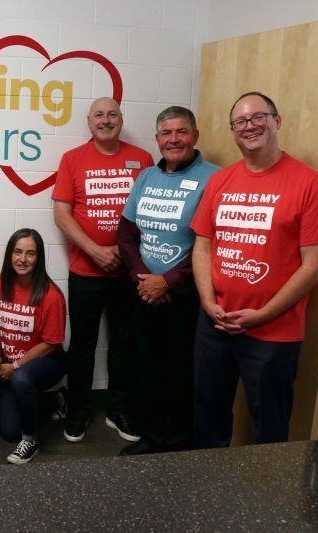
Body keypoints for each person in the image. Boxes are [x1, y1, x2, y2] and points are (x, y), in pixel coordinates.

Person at [190, 92, 318, 447]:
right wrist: (208, 301)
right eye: (240, 121)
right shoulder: (220, 181)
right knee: (207, 415)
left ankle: (268, 498)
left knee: (270, 427)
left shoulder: (309, 183)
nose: (250, 126)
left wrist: (262, 314)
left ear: (277, 121)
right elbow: (203, 246)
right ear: (232, 131)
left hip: (274, 331)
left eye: (259, 117)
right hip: (215, 322)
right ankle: (205, 491)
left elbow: (315, 267)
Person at [117, 106, 219, 455]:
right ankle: (151, 438)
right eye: (166, 133)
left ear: (195, 136)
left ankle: (176, 445)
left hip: (186, 295)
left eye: (181, 131)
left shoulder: (214, 179)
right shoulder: (146, 177)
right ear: (157, 139)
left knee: (179, 372)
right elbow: (127, 233)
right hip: (144, 292)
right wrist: (142, 278)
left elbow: (213, 243)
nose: (174, 139)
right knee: (145, 367)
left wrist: (168, 281)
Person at [52, 97, 154, 443]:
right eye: (99, 114)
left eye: (112, 114)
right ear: (89, 121)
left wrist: (126, 255)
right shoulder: (72, 160)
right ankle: (78, 410)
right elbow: (62, 214)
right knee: (83, 343)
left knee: (125, 343)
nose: (106, 120)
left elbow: (151, 212)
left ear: (121, 120)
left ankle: (118, 410)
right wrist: (95, 250)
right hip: (86, 271)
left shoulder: (142, 160)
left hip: (128, 273)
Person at [0, 228, 67, 464]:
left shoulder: (50, 294)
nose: (23, 259)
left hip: (45, 362)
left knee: (21, 379)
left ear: (39, 258)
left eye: (30, 254)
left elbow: (51, 342)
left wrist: (14, 365)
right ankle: (55, 401)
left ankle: (31, 440)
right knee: (9, 431)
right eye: (18, 252)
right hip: (7, 366)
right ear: (9, 255)